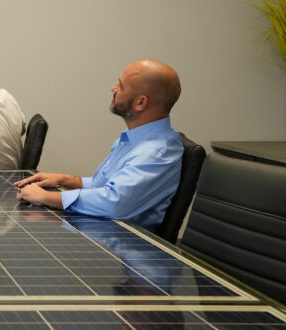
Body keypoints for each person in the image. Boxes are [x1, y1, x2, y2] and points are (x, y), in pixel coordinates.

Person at [14, 58, 184, 231]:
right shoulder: (134, 140)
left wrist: (47, 197)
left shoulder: (156, 151)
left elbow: (114, 202)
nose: (114, 88)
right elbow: (105, 185)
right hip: (106, 233)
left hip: (125, 246)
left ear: (141, 102)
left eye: (121, 85)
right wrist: (65, 179)